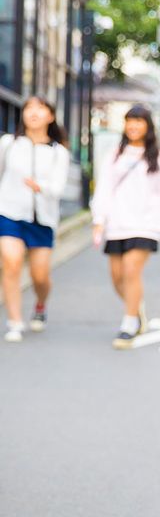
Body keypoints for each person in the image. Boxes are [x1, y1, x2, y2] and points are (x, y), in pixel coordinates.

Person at [91, 104, 160, 349]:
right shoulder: (114, 155)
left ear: (148, 126)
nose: (133, 126)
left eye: (139, 121)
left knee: (131, 270)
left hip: (147, 224)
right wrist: (99, 221)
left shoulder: (158, 157)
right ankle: (136, 308)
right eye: (129, 121)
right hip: (117, 224)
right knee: (116, 277)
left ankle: (129, 323)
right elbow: (104, 189)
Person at [0, 96, 70, 344]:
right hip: (9, 213)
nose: (34, 112)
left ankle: (40, 304)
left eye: (40, 108)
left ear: (50, 116)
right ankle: (14, 321)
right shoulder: (8, 143)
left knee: (40, 276)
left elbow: (59, 188)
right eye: (29, 107)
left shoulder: (58, 152)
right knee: (11, 262)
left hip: (42, 219)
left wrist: (39, 187)